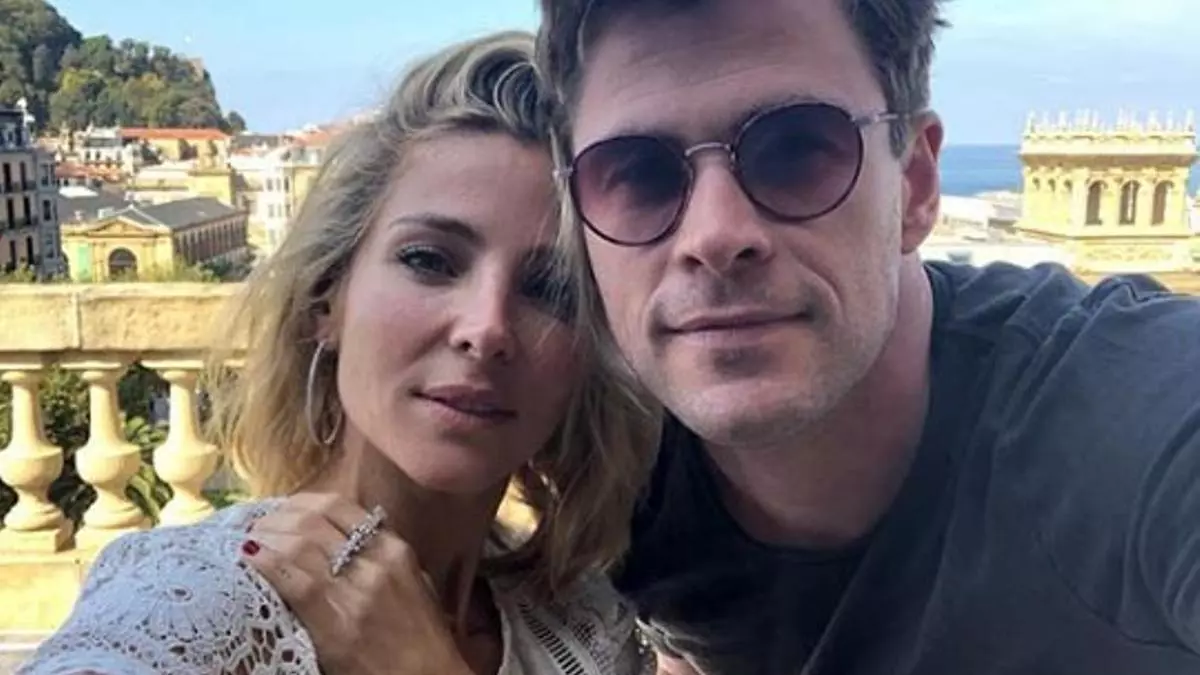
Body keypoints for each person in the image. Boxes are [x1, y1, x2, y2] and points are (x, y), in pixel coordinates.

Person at [535, 0, 1200, 673]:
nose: (714, 235)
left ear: (915, 185)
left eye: (795, 152)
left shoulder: (1121, 416)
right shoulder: (602, 454)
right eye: (639, 174)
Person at [19, 31, 656, 675]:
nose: (486, 328)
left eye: (551, 289)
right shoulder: (194, 609)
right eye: (430, 260)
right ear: (327, 298)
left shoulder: (580, 622)